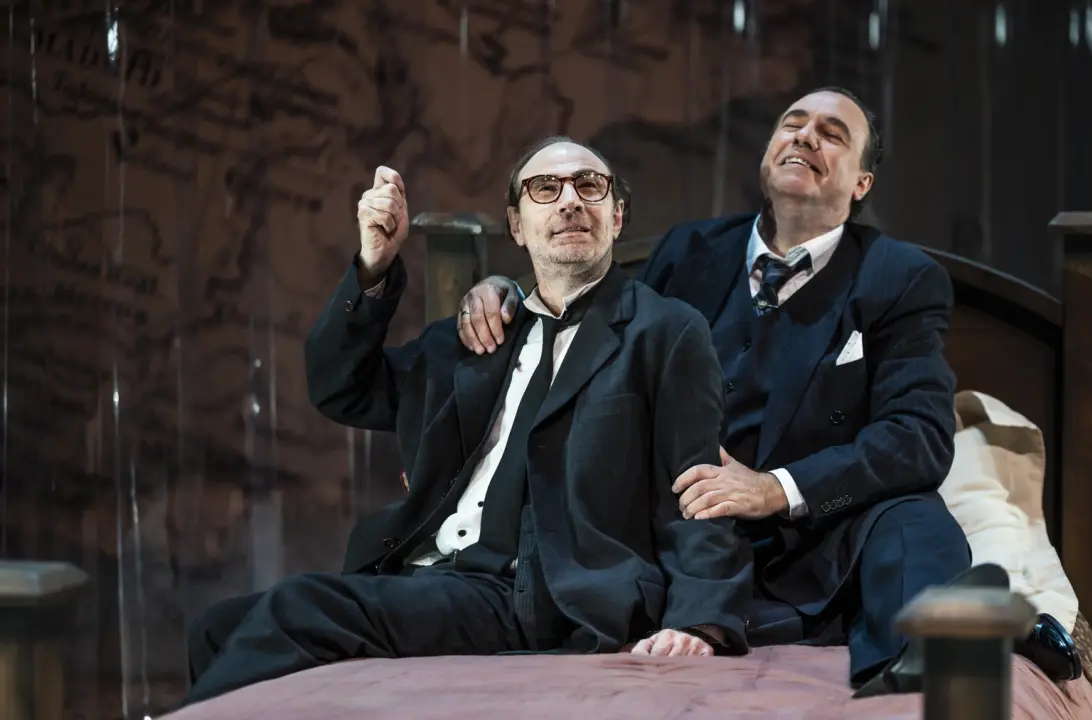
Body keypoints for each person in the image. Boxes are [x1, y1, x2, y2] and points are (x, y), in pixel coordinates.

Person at [181, 137, 752, 706]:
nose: (570, 200)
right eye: (545, 188)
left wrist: (700, 619)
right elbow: (341, 389)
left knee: (300, 606)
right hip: (423, 575)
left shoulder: (664, 330)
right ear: (517, 225)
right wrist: (374, 267)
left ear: (617, 216)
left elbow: (699, 488)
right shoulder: (478, 335)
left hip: (537, 591)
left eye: (589, 186)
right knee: (215, 627)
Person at [454, 88, 972, 690]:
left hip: (821, 545)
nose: (805, 136)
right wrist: (507, 293)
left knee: (917, 520)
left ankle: (916, 674)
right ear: (767, 153)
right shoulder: (688, 251)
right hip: (678, 537)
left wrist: (774, 489)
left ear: (862, 184)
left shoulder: (901, 278)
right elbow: (583, 315)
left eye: (832, 134)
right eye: (792, 124)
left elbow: (918, 437)